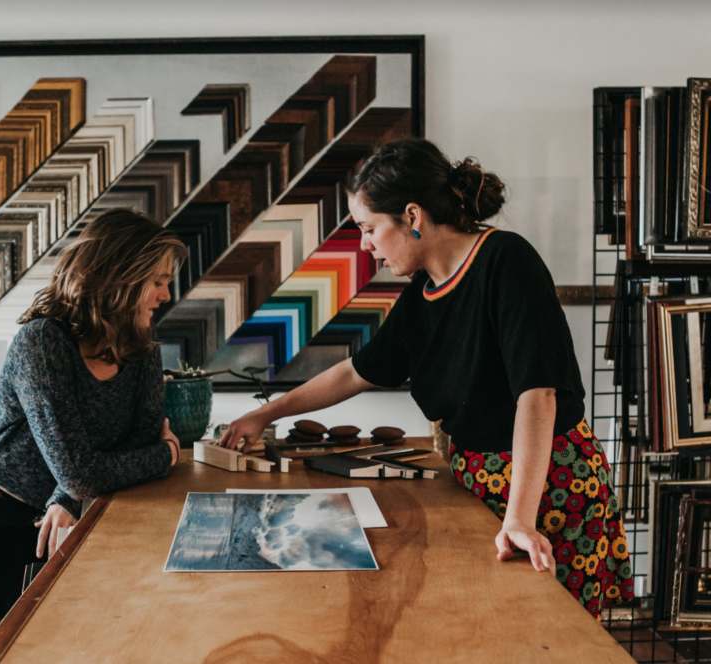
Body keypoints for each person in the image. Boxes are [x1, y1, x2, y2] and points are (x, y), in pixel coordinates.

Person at [218, 138, 634, 619]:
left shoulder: (506, 260)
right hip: (481, 485)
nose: (365, 244)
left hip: (548, 485)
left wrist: (520, 518)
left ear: (412, 216)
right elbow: (355, 372)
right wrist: (262, 415)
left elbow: (538, 395)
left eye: (369, 228)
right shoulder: (423, 294)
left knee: (553, 635)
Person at [0, 209, 187, 663]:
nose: (165, 294)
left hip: (22, 519)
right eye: (158, 280)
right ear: (120, 275)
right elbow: (86, 467)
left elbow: (121, 447)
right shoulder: (42, 342)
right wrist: (165, 456)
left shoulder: (140, 347)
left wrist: (67, 492)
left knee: (62, 639)